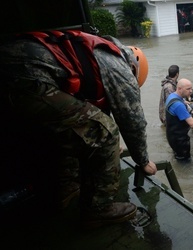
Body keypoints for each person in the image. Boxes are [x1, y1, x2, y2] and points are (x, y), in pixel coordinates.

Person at [0, 30, 157, 227]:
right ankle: (98, 208)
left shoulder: (96, 52)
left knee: (70, 127)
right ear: (134, 68)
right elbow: (132, 120)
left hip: (17, 73)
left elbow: (84, 112)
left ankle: (65, 188)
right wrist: (142, 160)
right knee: (105, 132)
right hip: (24, 79)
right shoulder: (120, 67)